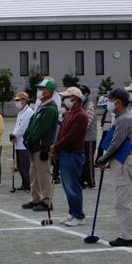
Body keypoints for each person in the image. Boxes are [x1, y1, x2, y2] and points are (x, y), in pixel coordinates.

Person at [96, 88, 132, 247]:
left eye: (111, 99)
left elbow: (117, 142)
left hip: (124, 162)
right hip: (127, 161)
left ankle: (127, 236)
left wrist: (103, 158)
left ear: (118, 102)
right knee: (130, 200)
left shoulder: (123, 119)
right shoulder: (123, 117)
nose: (108, 102)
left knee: (122, 201)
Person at [51, 87, 88, 227]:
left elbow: (71, 137)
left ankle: (79, 215)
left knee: (73, 186)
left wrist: (56, 147)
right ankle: (73, 212)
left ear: (75, 98)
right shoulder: (70, 113)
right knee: (68, 187)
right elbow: (61, 133)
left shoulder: (81, 116)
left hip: (73, 153)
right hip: (65, 153)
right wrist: (56, 148)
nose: (65, 99)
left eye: (68, 97)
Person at [22, 78, 59, 211]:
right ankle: (35, 198)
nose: (39, 92)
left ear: (49, 92)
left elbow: (42, 128)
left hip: (42, 146)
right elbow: (32, 123)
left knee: (43, 175)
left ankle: (46, 201)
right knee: (34, 174)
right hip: (34, 145)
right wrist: (27, 136)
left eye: (42, 89)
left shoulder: (50, 108)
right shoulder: (41, 106)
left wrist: (30, 138)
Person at [11, 91, 33, 191]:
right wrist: (13, 135)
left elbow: (24, 127)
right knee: (20, 165)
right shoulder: (21, 112)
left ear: (24, 100)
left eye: (18, 100)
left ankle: (29, 184)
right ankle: (24, 183)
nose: (17, 102)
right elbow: (17, 126)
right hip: (18, 142)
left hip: (25, 143)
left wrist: (15, 135)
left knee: (25, 165)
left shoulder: (28, 112)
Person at [80, 85, 97, 189]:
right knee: (83, 161)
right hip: (83, 138)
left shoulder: (89, 105)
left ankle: (91, 181)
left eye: (82, 92)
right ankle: (83, 181)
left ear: (87, 94)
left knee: (89, 161)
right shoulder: (82, 104)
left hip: (89, 138)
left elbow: (87, 124)